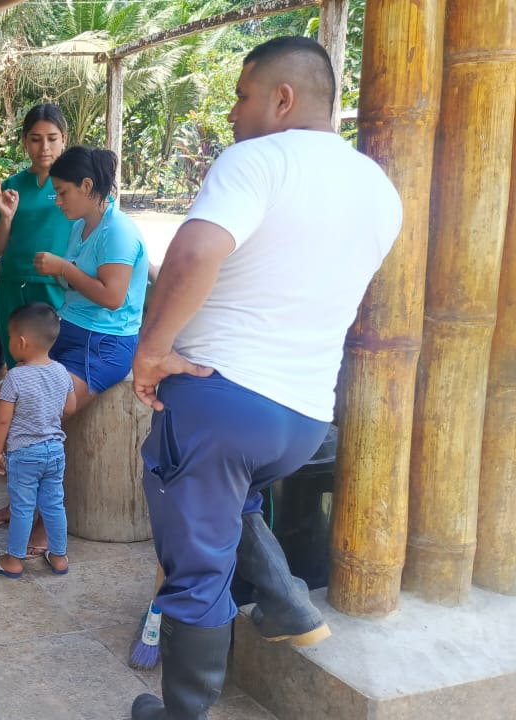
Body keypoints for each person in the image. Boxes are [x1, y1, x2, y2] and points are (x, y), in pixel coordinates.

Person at [128, 37, 402, 720]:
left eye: (241, 95)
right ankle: (285, 602)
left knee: (195, 571)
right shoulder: (378, 187)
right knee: (235, 499)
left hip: (221, 405)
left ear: (283, 99)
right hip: (302, 419)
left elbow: (194, 252)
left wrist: (152, 350)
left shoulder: (258, 159)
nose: (231, 112)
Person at [0, 103, 73, 540]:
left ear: (64, 140)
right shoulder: (13, 185)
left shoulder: (77, 183)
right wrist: (7, 217)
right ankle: (19, 498)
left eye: (52, 138)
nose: (43, 147)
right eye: (35, 139)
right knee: (17, 394)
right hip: (12, 293)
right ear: (24, 142)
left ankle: (41, 502)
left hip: (55, 295)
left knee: (47, 395)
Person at [32, 145, 149, 414]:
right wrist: (62, 272)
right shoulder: (80, 227)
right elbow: (73, 283)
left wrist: (64, 269)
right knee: (5, 402)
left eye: (62, 192)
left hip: (104, 341)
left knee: (38, 409)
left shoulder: (117, 230)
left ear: (86, 185)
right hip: (69, 327)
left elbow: (113, 297)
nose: (57, 201)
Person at [0, 303, 75, 579]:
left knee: (22, 507)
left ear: (21, 342)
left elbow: (2, 420)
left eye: (10, 338)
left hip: (24, 455)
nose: (9, 343)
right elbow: (69, 408)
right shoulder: (61, 372)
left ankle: (13, 559)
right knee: (54, 505)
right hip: (55, 451)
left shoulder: (16, 377)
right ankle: (59, 556)